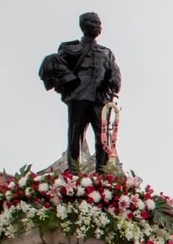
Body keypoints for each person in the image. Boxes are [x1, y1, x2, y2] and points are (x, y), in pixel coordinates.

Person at [39, 12, 122, 170]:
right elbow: (54, 62)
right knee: (75, 135)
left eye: (99, 23)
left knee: (103, 136)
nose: (98, 26)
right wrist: (68, 79)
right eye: (94, 23)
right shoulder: (71, 48)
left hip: (100, 97)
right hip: (79, 94)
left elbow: (115, 71)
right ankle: (74, 171)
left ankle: (102, 172)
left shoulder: (106, 52)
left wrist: (114, 80)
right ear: (84, 26)